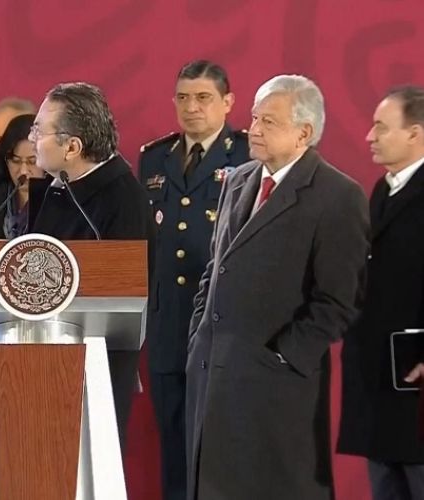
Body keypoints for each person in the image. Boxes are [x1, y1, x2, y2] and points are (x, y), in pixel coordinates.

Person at [185, 75, 369, 500]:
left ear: (304, 132)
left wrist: (283, 355)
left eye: (269, 121)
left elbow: (339, 301)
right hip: (213, 375)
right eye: (253, 118)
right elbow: (216, 268)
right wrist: (198, 337)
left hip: (277, 388)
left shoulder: (337, 195)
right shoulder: (238, 180)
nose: (254, 129)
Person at [138, 59, 250, 500]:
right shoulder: (154, 156)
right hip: (168, 325)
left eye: (203, 98)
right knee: (173, 446)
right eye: (183, 98)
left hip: (222, 322)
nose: (192, 108)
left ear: (228, 102)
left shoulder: (245, 154)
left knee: (221, 447)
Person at [28, 82, 154, 448]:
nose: (32, 139)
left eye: (39, 129)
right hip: (45, 353)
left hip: (95, 363)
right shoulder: (60, 185)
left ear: (72, 147)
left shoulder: (120, 197)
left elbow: (122, 293)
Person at [337, 85, 424, 500]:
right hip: (380, 382)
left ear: (415, 133)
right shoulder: (383, 190)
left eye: (381, 127)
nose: (369, 136)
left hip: (415, 383)